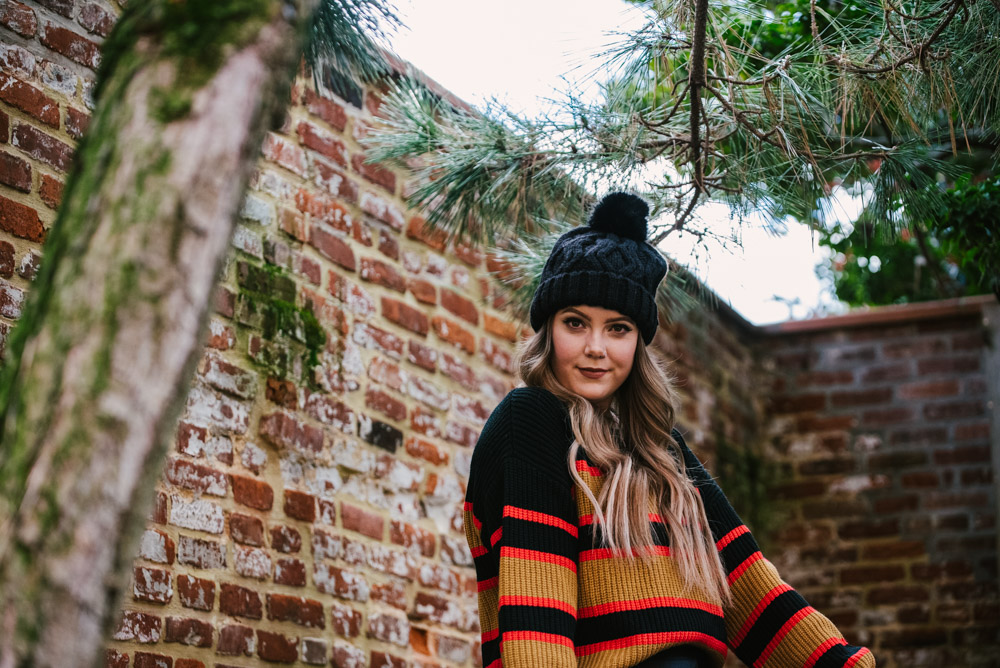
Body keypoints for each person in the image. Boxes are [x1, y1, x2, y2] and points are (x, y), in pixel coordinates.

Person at [463, 193, 875, 668]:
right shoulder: (531, 422)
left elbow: (752, 591)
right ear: (549, 330)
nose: (596, 347)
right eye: (575, 323)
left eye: (618, 328)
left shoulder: (663, 450)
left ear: (638, 342)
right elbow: (537, 617)